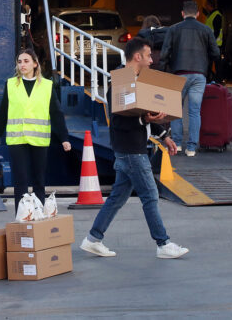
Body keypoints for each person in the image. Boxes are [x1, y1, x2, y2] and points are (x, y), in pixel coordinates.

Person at [80, 37, 189, 259]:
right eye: (149, 55)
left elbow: (143, 115)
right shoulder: (120, 83)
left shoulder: (134, 82)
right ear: (137, 56)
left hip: (130, 148)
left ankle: (93, 238)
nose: (151, 61)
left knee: (118, 197)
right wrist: (145, 119)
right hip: (131, 151)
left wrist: (163, 135)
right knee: (150, 195)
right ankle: (163, 244)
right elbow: (119, 121)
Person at [0, 49, 71, 210]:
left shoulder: (47, 86)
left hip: (39, 140)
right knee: (21, 181)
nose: (22, 65)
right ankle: (22, 216)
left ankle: (38, 214)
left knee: (39, 180)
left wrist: (64, 138)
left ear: (35, 64)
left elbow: (56, 113)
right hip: (17, 140)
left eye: (26, 61)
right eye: (19, 62)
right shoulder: (11, 84)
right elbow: (3, 112)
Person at [158, 0, 220, 157]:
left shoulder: (173, 29)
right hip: (199, 75)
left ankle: (177, 144)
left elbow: (164, 54)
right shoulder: (206, 30)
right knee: (195, 112)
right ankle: (191, 147)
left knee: (175, 111)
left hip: (178, 75)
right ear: (198, 14)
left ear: (182, 14)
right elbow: (216, 53)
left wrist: (161, 73)